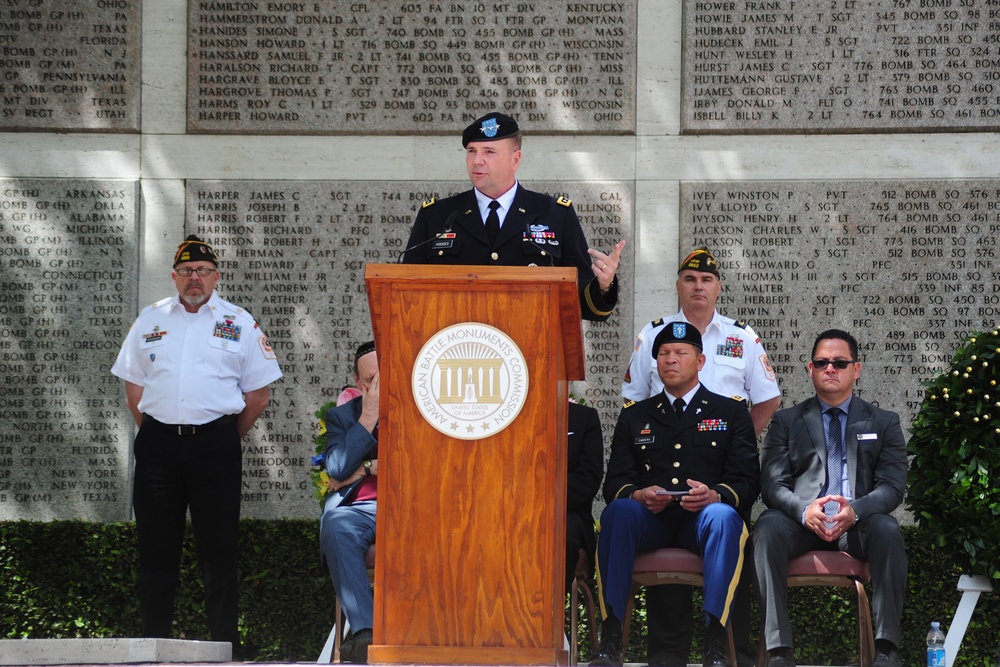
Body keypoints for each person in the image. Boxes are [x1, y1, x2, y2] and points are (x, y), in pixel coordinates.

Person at [111, 235, 282, 655]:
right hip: (158, 448)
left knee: (219, 554)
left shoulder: (239, 321)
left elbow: (258, 395)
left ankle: (225, 647)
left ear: (216, 277)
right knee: (155, 553)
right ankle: (153, 646)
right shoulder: (150, 320)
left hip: (215, 448)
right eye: (186, 271)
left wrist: (220, 438)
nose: (194, 278)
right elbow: (134, 386)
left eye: (203, 271)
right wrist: (159, 431)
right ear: (174, 276)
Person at [622, 246, 781, 667]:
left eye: (706, 280)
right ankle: (668, 657)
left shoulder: (741, 338)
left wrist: (732, 443)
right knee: (667, 589)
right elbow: (634, 402)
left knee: (731, 562)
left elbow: (766, 400)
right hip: (662, 479)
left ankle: (730, 655)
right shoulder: (654, 335)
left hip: (720, 481)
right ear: (678, 286)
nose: (698, 287)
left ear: (718, 288)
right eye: (690, 280)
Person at [590, 322, 760, 667]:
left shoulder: (730, 413)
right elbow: (616, 484)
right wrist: (638, 496)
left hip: (703, 522)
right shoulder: (635, 416)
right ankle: (611, 637)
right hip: (651, 520)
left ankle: (716, 641)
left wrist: (715, 496)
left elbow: (745, 482)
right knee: (618, 512)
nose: (671, 360)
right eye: (664, 354)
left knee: (725, 516)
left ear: (700, 361)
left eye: (681, 353)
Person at [752, 329, 908, 667]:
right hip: (801, 522)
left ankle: (886, 649)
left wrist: (856, 511)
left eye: (840, 362)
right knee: (766, 529)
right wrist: (804, 509)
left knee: (888, 530)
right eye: (822, 362)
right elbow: (772, 485)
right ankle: (779, 651)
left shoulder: (883, 422)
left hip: (857, 523)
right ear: (810, 369)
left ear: (857, 368)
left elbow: (892, 486)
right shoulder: (786, 421)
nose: (830, 369)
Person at [401, 111, 626, 322]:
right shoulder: (437, 215)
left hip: (530, 354)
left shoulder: (554, 214)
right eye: (471, 151)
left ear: (515, 159)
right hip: (457, 352)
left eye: (489, 152)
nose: (477, 160)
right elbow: (405, 294)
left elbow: (584, 304)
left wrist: (603, 286)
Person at [319, 340, 380, 664]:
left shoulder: (421, 407)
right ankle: (365, 633)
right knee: (337, 525)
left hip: (414, 505)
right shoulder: (342, 417)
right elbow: (338, 468)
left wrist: (365, 467)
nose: (378, 387)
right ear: (358, 383)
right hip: (363, 508)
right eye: (370, 381)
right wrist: (369, 416)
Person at [565, 399, 604, 593]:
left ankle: (547, 619)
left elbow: (587, 480)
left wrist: (536, 496)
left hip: (567, 512)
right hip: (508, 510)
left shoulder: (582, 417)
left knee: (558, 536)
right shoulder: (505, 418)